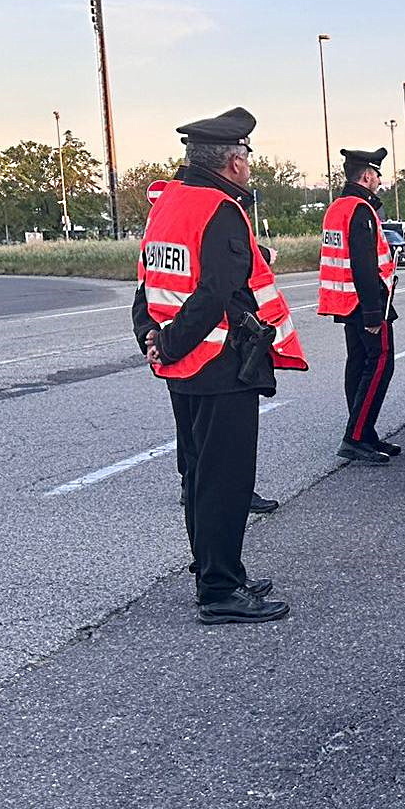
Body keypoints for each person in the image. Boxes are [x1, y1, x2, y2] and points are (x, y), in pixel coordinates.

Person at [132, 107, 308, 625]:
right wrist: (172, 343)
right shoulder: (221, 210)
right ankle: (220, 591)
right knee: (225, 479)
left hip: (180, 364)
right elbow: (214, 293)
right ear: (233, 161)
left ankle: (215, 568)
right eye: (247, 156)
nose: (250, 164)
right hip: (217, 363)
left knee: (198, 473)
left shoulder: (167, 203)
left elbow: (147, 282)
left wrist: (153, 339)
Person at [318, 147, 400, 465]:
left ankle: (364, 432)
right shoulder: (361, 210)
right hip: (364, 302)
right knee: (380, 364)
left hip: (344, 300)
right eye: (377, 174)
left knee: (358, 364)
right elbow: (364, 264)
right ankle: (355, 436)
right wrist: (372, 312)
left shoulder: (337, 208)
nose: (379, 180)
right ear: (367, 176)